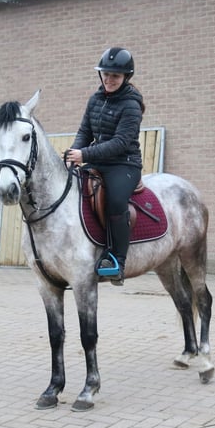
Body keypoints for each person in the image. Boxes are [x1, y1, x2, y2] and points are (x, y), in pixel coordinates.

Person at [66, 47, 145, 285]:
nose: (109, 79)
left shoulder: (131, 105)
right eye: (106, 74)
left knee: (116, 201)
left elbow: (120, 143)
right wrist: (73, 154)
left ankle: (117, 260)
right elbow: (84, 131)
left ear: (125, 78)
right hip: (97, 160)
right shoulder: (95, 99)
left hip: (124, 163)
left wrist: (84, 153)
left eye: (115, 76)